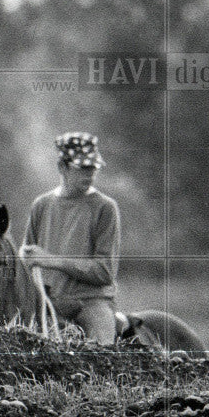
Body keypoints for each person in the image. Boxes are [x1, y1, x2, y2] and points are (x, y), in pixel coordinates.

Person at [20, 132, 120, 344]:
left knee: (102, 355)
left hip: (91, 303)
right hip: (49, 303)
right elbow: (26, 263)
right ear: (62, 167)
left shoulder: (105, 208)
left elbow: (105, 271)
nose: (90, 174)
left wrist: (51, 260)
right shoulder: (41, 205)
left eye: (93, 167)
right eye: (82, 168)